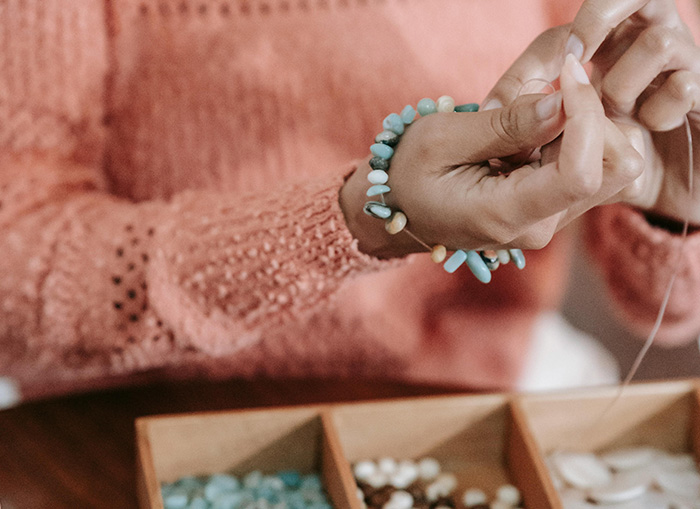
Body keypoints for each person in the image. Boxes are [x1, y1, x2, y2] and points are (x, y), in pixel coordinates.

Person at [1, 0, 699, 407]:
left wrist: (677, 207)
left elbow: (662, 303)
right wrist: (360, 218)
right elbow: (18, 272)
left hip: (466, 399)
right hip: (121, 421)